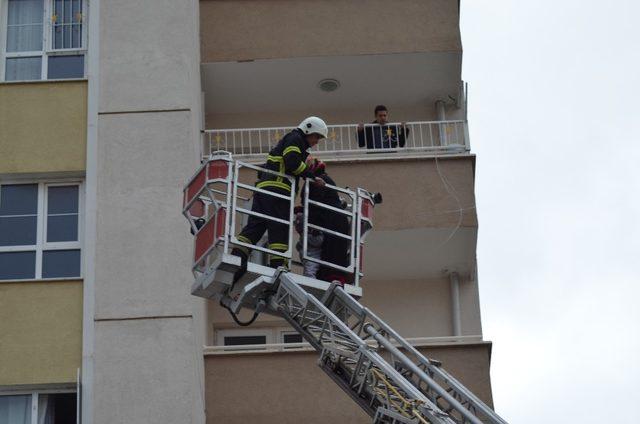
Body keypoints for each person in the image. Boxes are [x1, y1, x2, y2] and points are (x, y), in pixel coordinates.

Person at [231, 117, 328, 282]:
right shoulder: (295, 139)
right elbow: (292, 163)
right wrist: (312, 176)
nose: (316, 142)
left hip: (264, 191)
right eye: (316, 137)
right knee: (279, 230)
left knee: (255, 226)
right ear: (308, 130)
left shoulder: (290, 140)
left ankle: (237, 258)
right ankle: (279, 269)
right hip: (278, 191)